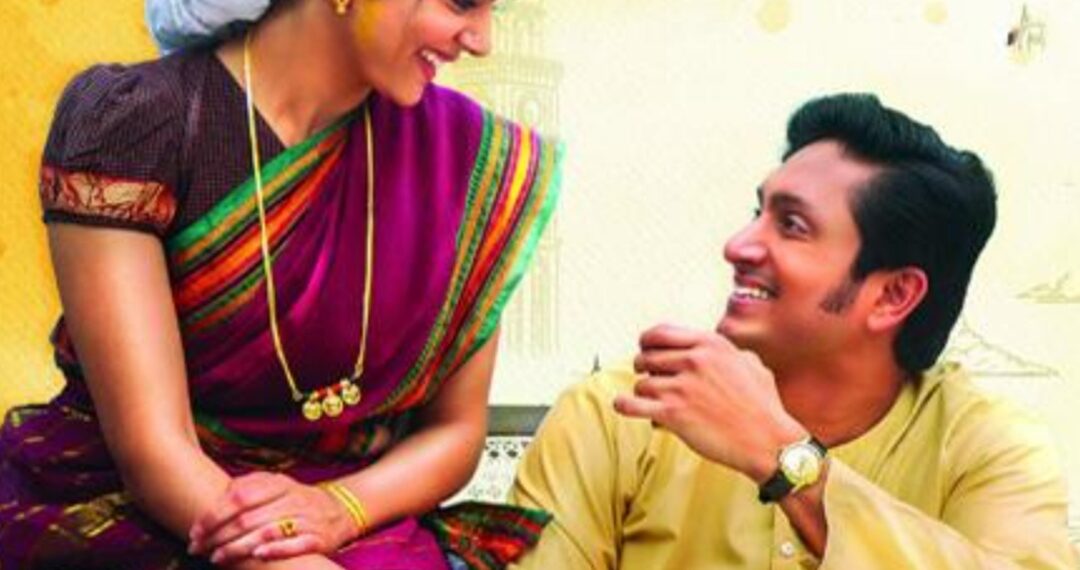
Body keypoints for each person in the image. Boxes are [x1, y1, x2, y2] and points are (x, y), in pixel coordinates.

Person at [0, 0, 562, 568]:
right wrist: (291, 553)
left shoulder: (467, 158)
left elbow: (456, 431)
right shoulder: (140, 123)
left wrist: (339, 508)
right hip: (141, 516)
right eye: (461, 2)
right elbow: (155, 454)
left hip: (360, 526)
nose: (482, 41)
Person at [508, 94, 1077, 569]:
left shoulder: (987, 449)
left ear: (893, 295)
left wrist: (785, 461)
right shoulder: (618, 417)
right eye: (757, 212)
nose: (738, 245)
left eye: (792, 225)